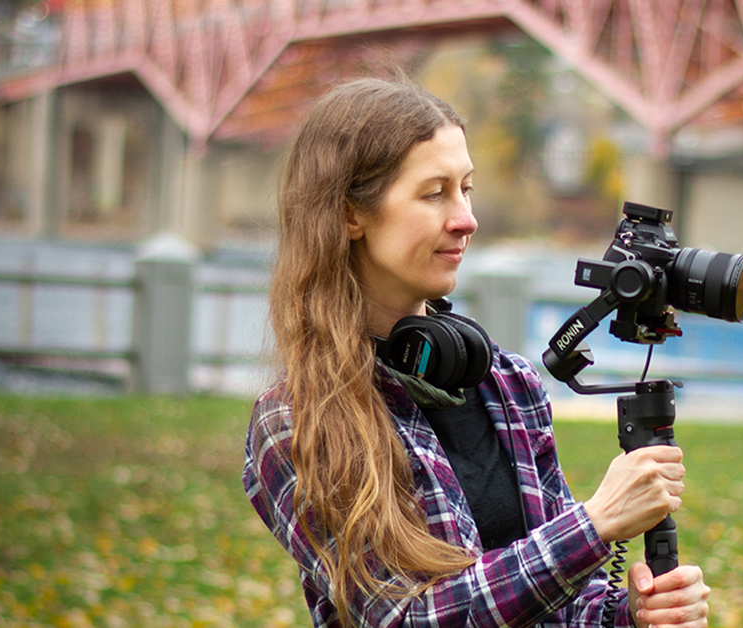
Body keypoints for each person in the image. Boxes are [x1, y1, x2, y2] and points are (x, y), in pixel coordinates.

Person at [242, 76, 710, 628]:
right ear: (350, 215)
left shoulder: (507, 383)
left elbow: (559, 605)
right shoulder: (296, 423)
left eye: (467, 188)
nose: (466, 218)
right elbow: (404, 617)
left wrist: (628, 615)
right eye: (434, 192)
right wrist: (595, 524)